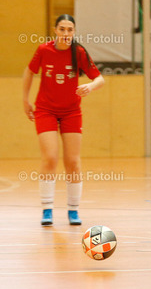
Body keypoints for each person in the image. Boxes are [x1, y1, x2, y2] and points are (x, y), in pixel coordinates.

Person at [22, 14, 105, 226]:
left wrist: (90, 86)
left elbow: (99, 78)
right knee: (50, 158)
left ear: (74, 32)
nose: (66, 33)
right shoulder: (44, 50)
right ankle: (47, 209)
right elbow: (29, 72)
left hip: (71, 112)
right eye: (62, 29)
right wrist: (25, 100)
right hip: (45, 110)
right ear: (55, 30)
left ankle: (73, 211)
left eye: (70, 30)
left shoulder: (79, 52)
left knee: (73, 162)